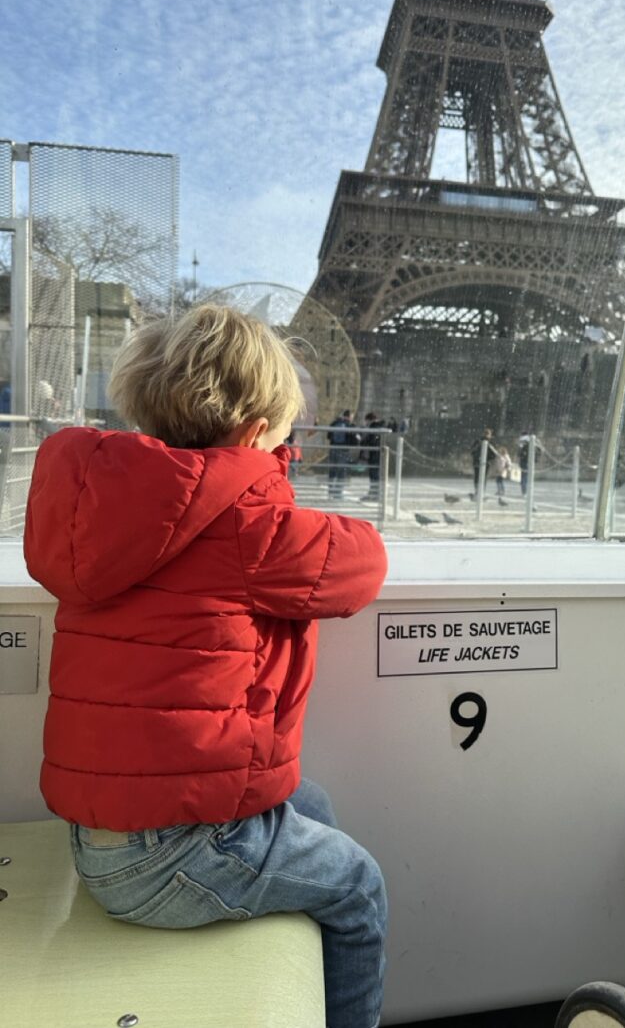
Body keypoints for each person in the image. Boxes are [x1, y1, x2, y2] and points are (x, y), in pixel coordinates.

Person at [23, 305, 388, 1028]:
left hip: (104, 839)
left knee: (308, 803)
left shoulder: (107, 511)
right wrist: (265, 477)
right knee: (359, 887)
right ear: (258, 428)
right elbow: (361, 561)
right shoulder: (248, 526)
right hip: (172, 857)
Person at [327, 408, 356, 500]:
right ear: (349, 416)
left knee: (333, 470)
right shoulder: (349, 425)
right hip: (343, 450)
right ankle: (338, 493)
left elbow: (328, 435)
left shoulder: (335, 423)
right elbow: (353, 438)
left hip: (333, 449)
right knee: (341, 472)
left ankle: (330, 491)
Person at [360, 411, 384, 502]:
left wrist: (365, 442)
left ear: (369, 420)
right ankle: (374, 493)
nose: (366, 422)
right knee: (374, 475)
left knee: (374, 475)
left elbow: (372, 441)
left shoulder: (374, 427)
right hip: (376, 454)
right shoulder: (378, 426)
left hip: (374, 454)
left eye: (366, 420)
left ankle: (374, 494)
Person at [470, 427, 497, 496]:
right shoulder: (484, 442)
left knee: (480, 477)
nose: (487, 435)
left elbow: (494, 454)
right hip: (481, 462)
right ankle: (479, 491)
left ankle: (479, 491)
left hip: (482, 462)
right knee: (480, 477)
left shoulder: (487, 442)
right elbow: (494, 454)